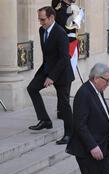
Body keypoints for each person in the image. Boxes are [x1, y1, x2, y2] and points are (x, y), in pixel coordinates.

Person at [27, 6, 74, 145]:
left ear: (51, 18)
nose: (41, 22)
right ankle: (45, 120)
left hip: (62, 73)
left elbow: (64, 58)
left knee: (64, 104)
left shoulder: (60, 33)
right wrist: (45, 73)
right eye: (39, 19)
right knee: (32, 88)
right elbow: (48, 55)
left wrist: (52, 77)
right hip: (47, 69)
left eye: (43, 19)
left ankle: (69, 134)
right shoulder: (42, 30)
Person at [53, 0, 84, 83]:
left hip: (72, 43)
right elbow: (66, 26)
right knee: (66, 77)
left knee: (69, 75)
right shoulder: (60, 8)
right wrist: (78, 18)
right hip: (67, 44)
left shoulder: (69, 7)